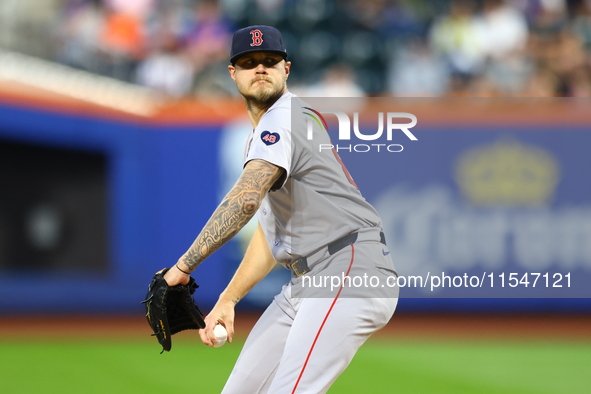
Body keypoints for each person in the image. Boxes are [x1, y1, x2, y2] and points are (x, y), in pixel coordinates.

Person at [163, 25, 398, 393]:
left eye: (269, 61)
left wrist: (183, 267)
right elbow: (270, 234)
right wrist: (228, 298)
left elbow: (245, 199)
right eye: (249, 62)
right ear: (233, 73)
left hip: (347, 267)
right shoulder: (263, 136)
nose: (260, 68)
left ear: (286, 69)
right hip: (307, 280)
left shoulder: (283, 120)